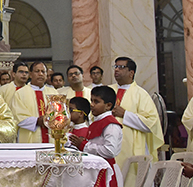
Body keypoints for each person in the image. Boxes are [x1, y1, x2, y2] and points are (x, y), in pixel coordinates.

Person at [109, 57, 163, 185]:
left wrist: (125, 115)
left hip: (131, 146)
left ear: (131, 73)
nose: (116, 70)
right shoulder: (108, 91)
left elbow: (151, 123)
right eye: (115, 67)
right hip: (109, 144)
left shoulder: (141, 94)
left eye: (121, 67)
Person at [69, 86, 123, 187]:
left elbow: (110, 151)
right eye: (91, 101)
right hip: (97, 168)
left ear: (108, 105)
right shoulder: (97, 121)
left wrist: (84, 145)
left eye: (96, 102)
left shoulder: (111, 125)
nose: (92, 105)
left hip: (107, 170)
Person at [10, 61, 60, 143]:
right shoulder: (20, 93)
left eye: (43, 71)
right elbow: (17, 117)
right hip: (30, 140)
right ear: (30, 74)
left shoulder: (54, 93)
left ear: (47, 75)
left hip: (51, 138)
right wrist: (37, 121)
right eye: (37, 71)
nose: (40, 74)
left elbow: (59, 115)